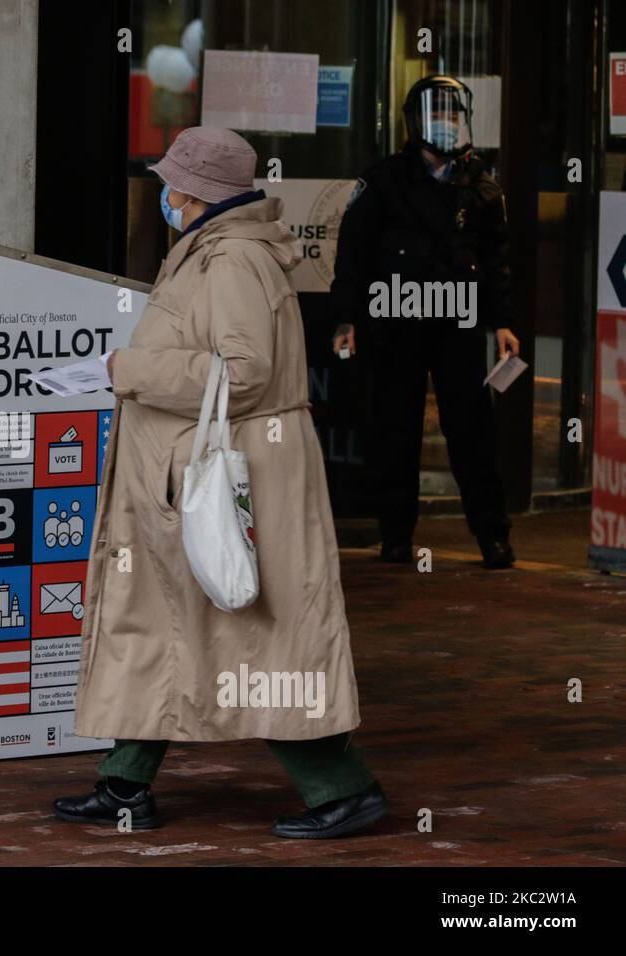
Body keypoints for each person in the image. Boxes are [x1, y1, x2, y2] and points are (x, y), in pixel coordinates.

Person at [56, 127, 386, 838]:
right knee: (166, 624)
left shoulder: (233, 259)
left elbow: (244, 373)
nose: (164, 194)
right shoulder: (211, 250)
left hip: (231, 475)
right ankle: (124, 785)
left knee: (257, 636)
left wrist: (128, 372)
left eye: (171, 183)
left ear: (197, 193)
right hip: (197, 472)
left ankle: (343, 788)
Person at [330, 75, 517, 569]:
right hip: (396, 319)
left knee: (471, 430)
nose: (447, 124)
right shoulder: (385, 180)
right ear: (416, 123)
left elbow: (496, 259)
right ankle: (395, 536)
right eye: (437, 115)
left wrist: (502, 322)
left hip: (457, 322)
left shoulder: (480, 185)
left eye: (453, 115)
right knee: (395, 428)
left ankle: (492, 535)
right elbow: (354, 253)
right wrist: (346, 317)